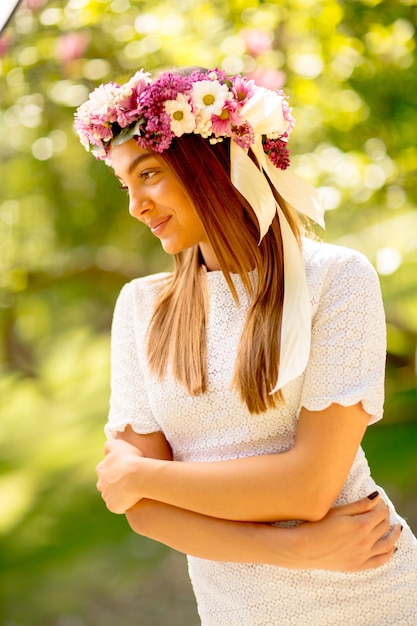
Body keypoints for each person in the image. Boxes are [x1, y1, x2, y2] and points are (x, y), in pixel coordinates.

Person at [74, 67, 417, 624]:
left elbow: (307, 488)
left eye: (151, 173)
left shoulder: (335, 278)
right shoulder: (141, 308)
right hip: (235, 611)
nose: (136, 205)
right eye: (125, 185)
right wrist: (292, 549)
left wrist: (142, 475)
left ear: (212, 163)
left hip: (372, 595)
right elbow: (145, 514)